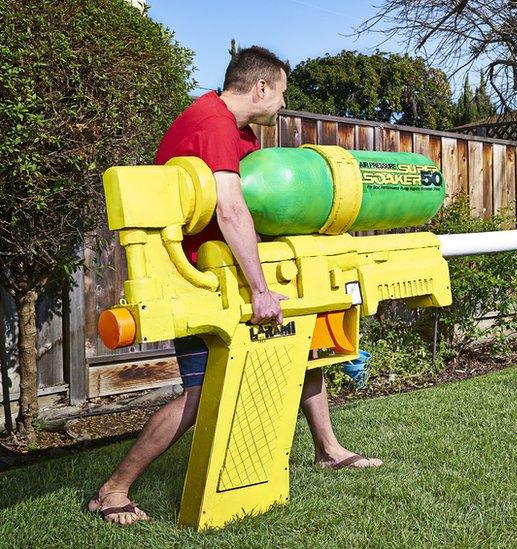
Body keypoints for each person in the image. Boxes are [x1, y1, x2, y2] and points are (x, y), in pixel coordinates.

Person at [88, 46, 381, 527]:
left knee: (303, 351)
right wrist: (262, 289)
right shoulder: (213, 124)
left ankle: (328, 450)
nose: (283, 105)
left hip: (228, 268)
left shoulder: (235, 130)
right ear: (261, 87)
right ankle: (113, 490)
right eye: (281, 94)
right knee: (202, 391)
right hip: (201, 278)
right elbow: (231, 210)